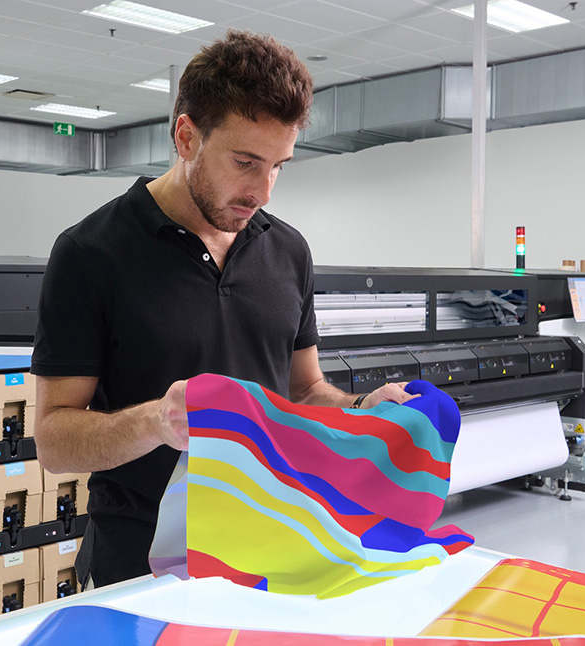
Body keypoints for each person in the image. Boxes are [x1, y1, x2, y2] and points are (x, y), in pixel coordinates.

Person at [31, 29, 417, 589]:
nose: (264, 190)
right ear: (186, 137)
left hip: (267, 547)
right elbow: (53, 441)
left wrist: (361, 408)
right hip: (139, 564)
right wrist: (156, 422)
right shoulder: (91, 253)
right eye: (245, 162)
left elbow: (305, 390)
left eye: (279, 165)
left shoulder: (288, 251)